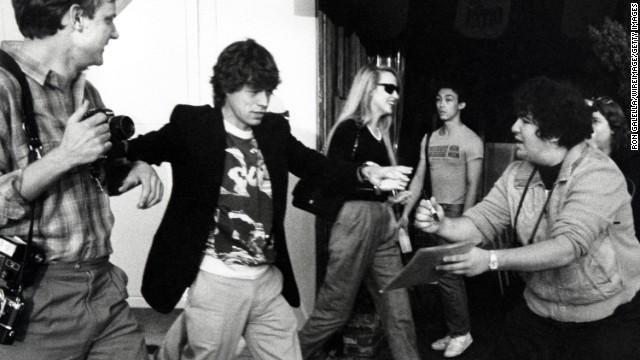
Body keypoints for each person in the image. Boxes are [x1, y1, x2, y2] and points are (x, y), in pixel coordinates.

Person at [124, 40, 412, 360]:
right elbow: (137, 148)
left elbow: (314, 164)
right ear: (226, 88)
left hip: (266, 283)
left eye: (268, 92)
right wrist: (140, 163)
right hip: (218, 280)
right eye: (253, 92)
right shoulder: (193, 125)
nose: (264, 101)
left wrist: (364, 173)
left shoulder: (274, 130)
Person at [415, 76, 640, 360]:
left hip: (604, 317)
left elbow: (567, 247)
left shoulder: (598, 173)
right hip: (539, 308)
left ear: (554, 132)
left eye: (524, 121)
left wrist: (490, 260)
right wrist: (443, 224)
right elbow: (481, 222)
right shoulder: (516, 173)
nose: (514, 128)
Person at [0, 1, 163, 359]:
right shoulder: (3, 86)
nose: (115, 32)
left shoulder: (86, 92)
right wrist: (64, 156)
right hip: (35, 304)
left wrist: (131, 170)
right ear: (76, 18)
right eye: (108, 20)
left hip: (103, 286)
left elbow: (97, 173)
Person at [298, 65, 421, 360]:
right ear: (369, 89)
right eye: (388, 88)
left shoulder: (383, 135)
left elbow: (374, 185)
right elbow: (333, 176)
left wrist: (391, 195)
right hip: (355, 222)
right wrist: (371, 179)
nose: (395, 95)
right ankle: (283, 356)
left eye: (397, 89)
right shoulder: (349, 129)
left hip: (383, 221)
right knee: (334, 313)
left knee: (399, 312)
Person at [399, 81, 482, 357]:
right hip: (432, 211)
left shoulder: (471, 140)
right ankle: (455, 330)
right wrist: (406, 213)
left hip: (457, 210)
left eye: (449, 99)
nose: (442, 104)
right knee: (437, 276)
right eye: (439, 99)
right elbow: (419, 178)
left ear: (461, 105)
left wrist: (465, 224)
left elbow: (473, 185)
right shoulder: (430, 139)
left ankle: (462, 333)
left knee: (449, 276)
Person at [587, 96, 639, 237]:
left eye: (595, 121)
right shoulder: (580, 160)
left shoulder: (631, 164)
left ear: (613, 128)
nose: (588, 127)